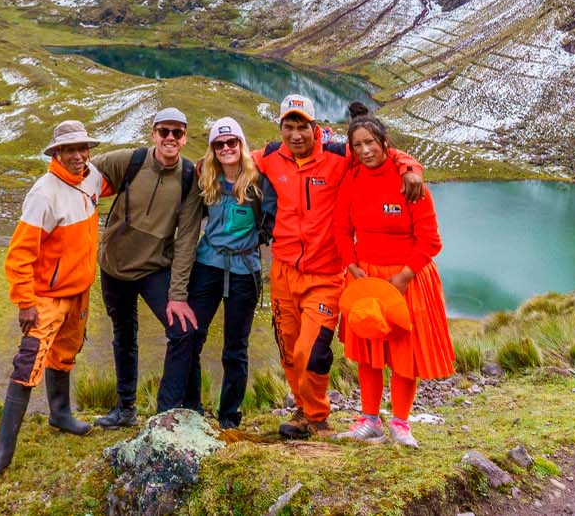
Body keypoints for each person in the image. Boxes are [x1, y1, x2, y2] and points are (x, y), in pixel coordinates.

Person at [256, 94, 426, 439]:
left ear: (314, 127)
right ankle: (305, 413)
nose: (296, 134)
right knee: (289, 347)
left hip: (325, 273)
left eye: (302, 126)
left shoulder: (338, 154)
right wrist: (203, 164)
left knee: (310, 349)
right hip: (283, 270)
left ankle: (319, 414)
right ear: (281, 129)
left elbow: (377, 148)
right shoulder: (272, 156)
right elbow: (235, 159)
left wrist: (410, 167)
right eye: (289, 127)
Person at [0, 120, 111, 483]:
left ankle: (60, 414)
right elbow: (19, 254)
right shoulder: (43, 193)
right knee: (28, 364)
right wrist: (25, 302)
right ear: (57, 153)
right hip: (47, 298)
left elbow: (111, 181)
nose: (79, 156)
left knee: (65, 354)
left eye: (84, 149)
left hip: (79, 292)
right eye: (70, 150)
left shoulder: (92, 177)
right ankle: (1, 452)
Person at [331, 109, 455, 448]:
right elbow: (342, 230)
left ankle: (401, 423)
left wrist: (402, 278)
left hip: (407, 277)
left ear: (385, 143)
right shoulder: (352, 181)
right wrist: (352, 265)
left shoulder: (409, 182)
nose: (365, 150)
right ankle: (368, 419)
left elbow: (430, 239)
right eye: (357, 145)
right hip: (366, 276)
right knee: (369, 349)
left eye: (370, 142)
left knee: (404, 353)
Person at [90, 108, 204, 428]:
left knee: (183, 332)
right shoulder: (129, 160)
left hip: (155, 268)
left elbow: (186, 241)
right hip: (114, 267)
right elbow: (81, 174)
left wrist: (178, 294)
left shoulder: (188, 177)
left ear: (184, 138)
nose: (170, 138)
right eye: (164, 132)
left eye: (177, 133)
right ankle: (125, 409)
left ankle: (182, 408)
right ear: (153, 133)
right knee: (124, 336)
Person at [177, 116, 271, 429]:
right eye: (219, 144)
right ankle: (191, 406)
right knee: (192, 335)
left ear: (241, 145)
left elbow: (273, 217)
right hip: (207, 266)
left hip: (245, 271)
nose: (226, 148)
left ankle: (229, 417)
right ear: (213, 149)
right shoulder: (206, 178)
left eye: (232, 142)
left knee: (235, 347)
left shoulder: (260, 179)